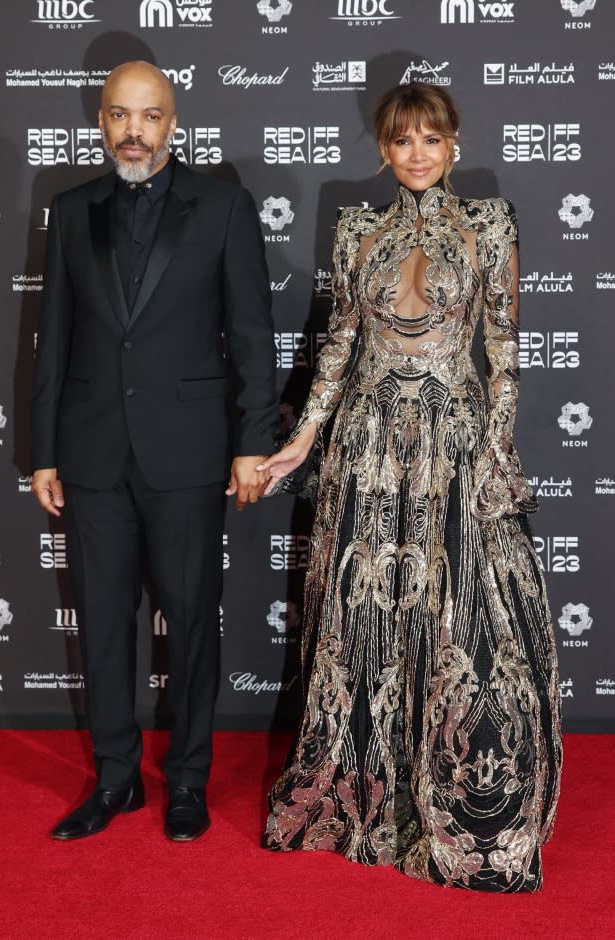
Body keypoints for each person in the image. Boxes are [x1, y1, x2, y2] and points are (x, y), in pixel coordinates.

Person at [260, 82, 562, 891]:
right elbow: (339, 347)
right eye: (402, 141)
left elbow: (503, 347)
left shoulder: (490, 223)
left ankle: (462, 797)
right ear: (384, 149)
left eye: (431, 138)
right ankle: (359, 797)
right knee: (363, 623)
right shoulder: (357, 227)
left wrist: (492, 450)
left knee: (459, 616)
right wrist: (300, 441)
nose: (418, 154)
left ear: (454, 141)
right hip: (367, 446)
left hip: (451, 445)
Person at [31, 61, 277, 842]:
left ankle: (187, 784)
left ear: (174, 123)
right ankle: (114, 781)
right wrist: (44, 452)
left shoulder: (223, 206)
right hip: (94, 455)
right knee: (103, 623)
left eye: (150, 115)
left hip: (190, 452)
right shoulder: (71, 211)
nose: (133, 130)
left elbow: (251, 338)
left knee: (194, 622)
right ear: (101, 122)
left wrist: (252, 444)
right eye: (119, 115)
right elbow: (54, 340)